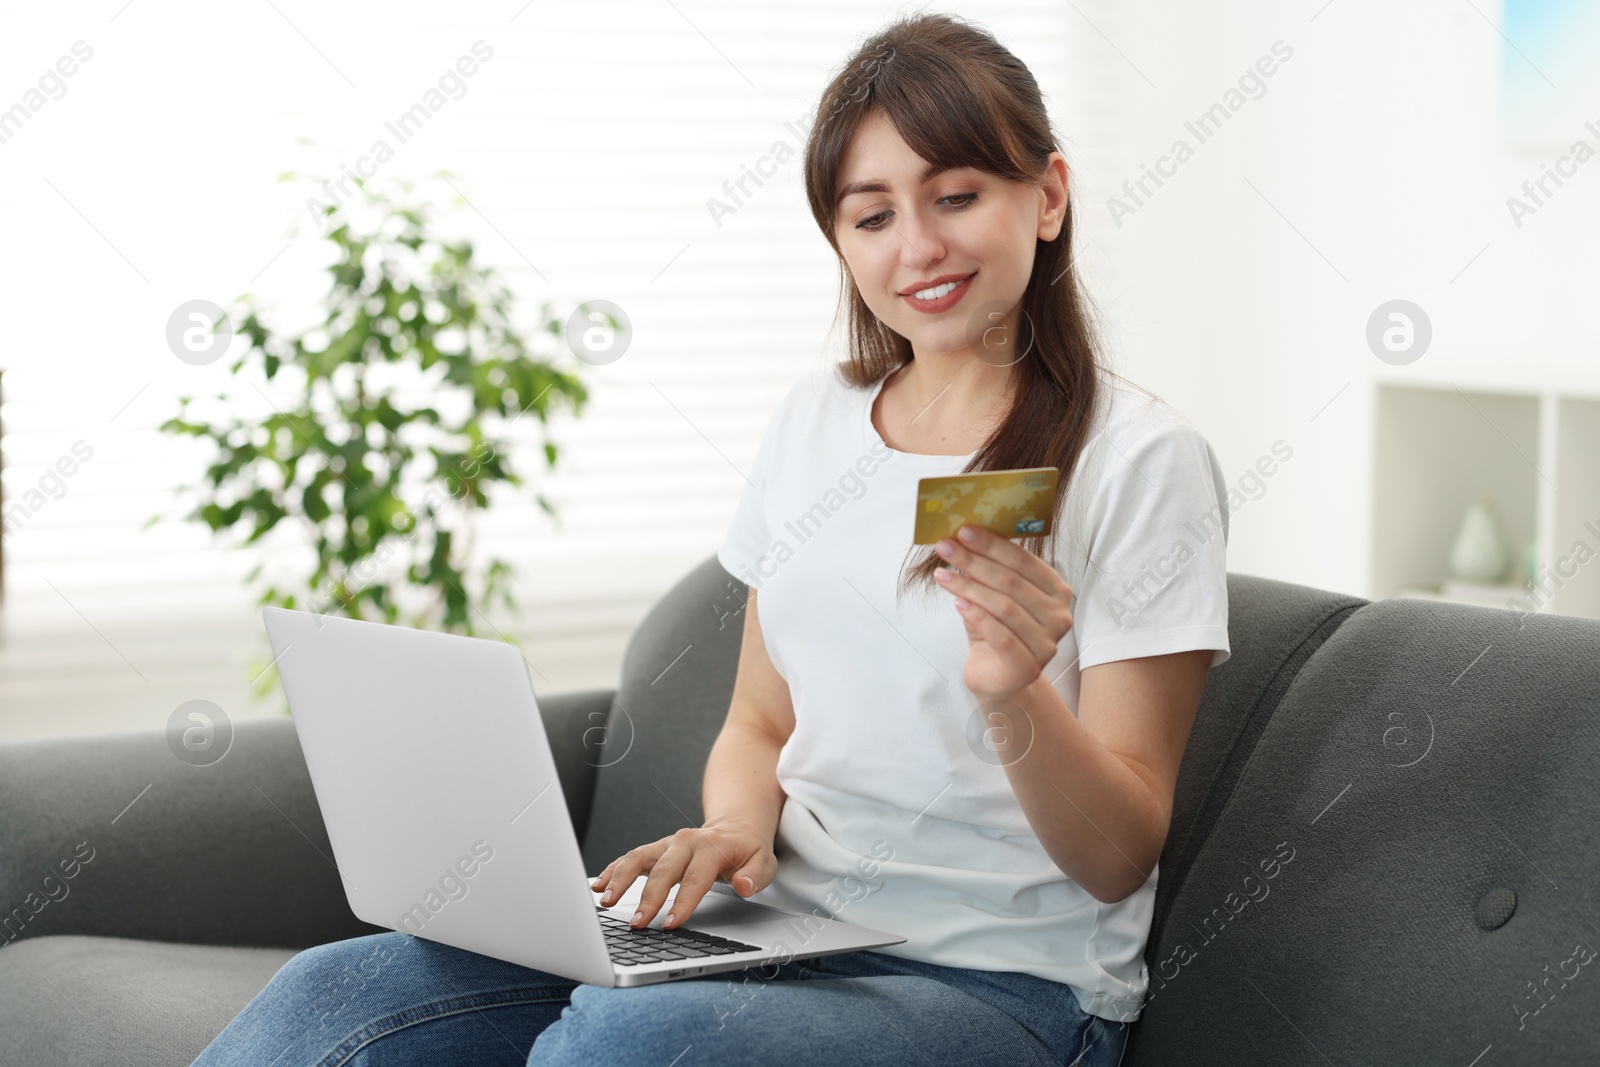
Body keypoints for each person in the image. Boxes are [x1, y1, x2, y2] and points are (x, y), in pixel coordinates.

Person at [192, 12, 1229, 1067]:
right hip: (786, 935)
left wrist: (1013, 692)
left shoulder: (1141, 459)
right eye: (870, 216)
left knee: (626, 1046)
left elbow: (1116, 854)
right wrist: (737, 827)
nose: (916, 246)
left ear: (1046, 196)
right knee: (334, 990)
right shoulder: (814, 420)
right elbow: (756, 717)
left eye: (955, 197)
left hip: (1009, 987)